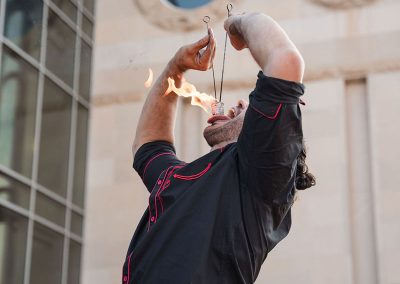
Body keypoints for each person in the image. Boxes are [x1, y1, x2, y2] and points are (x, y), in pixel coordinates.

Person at [123, 12, 316, 284]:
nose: (239, 102)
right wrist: (175, 69)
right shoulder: (179, 179)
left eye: (250, 105)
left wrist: (237, 23)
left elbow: (286, 60)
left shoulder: (260, 177)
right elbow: (149, 145)